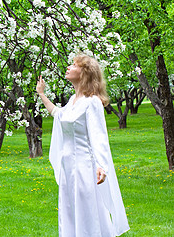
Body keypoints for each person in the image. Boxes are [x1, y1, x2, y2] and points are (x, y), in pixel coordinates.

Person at [36, 54, 130, 237]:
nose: (69, 67)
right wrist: (41, 93)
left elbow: (99, 137)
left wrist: (102, 166)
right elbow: (58, 114)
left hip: (84, 167)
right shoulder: (72, 101)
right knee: (70, 211)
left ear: (84, 73)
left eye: (74, 65)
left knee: (88, 211)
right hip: (68, 168)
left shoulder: (92, 102)